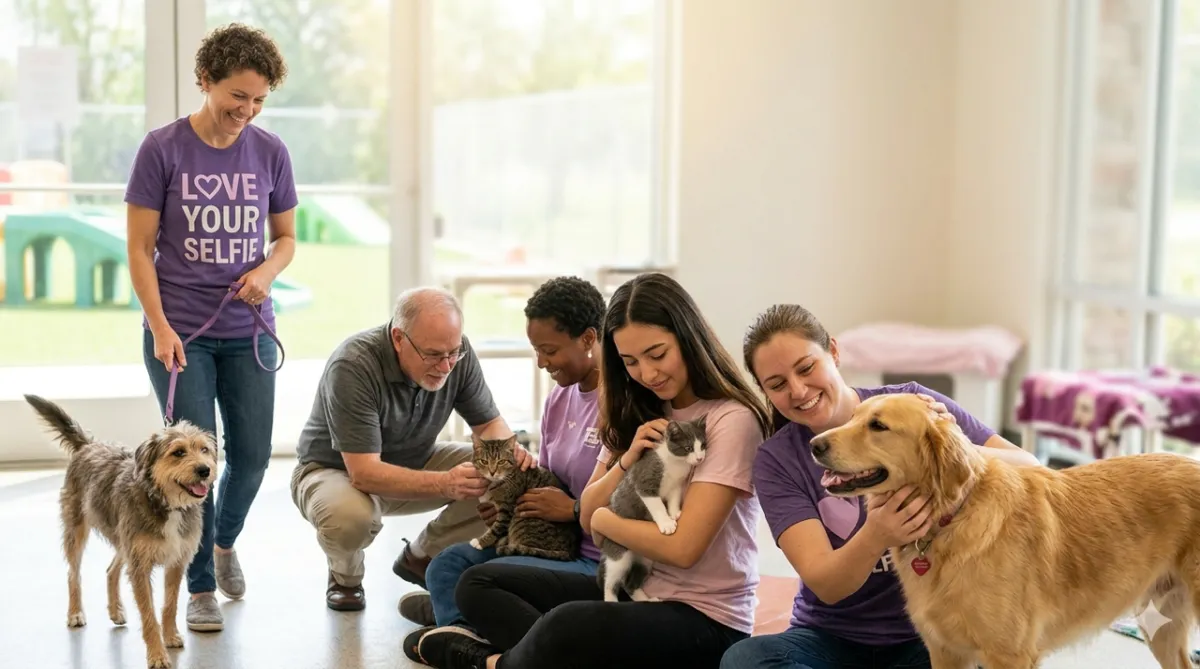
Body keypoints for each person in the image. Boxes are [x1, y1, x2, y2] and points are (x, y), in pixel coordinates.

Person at [414, 272, 774, 669]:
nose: (648, 374)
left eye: (657, 354)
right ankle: (531, 659)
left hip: (704, 616)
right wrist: (625, 461)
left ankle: (490, 662)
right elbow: (585, 515)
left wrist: (606, 518)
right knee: (478, 582)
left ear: (688, 338)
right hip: (631, 585)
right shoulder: (638, 409)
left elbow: (682, 548)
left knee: (566, 624)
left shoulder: (731, 420)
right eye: (631, 362)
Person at [720, 304, 1043, 669]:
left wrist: (950, 445)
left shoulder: (911, 405)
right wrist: (877, 535)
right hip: (828, 637)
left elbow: (1028, 466)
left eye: (806, 368)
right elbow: (827, 585)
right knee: (744, 661)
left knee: (997, 649)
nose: (798, 390)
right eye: (777, 385)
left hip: (929, 634)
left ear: (834, 352)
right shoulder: (777, 459)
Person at [125, 23, 296, 633]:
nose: (246, 112)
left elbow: (286, 239)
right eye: (236, 97)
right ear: (205, 81)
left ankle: (222, 543)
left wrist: (267, 274)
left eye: (258, 100)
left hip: (246, 325)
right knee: (193, 464)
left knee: (247, 459)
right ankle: (198, 586)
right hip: (179, 333)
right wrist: (159, 327)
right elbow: (141, 251)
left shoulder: (270, 151)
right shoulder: (162, 149)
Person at [399, 276, 608, 659]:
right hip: (541, 539)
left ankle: (457, 629)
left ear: (589, 338)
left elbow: (627, 499)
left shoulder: (620, 406)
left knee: (479, 580)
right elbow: (546, 478)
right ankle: (462, 626)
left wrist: (574, 509)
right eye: (536, 350)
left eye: (549, 350)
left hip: (590, 559)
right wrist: (507, 505)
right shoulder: (559, 398)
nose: (541, 363)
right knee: (445, 565)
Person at [290, 286, 532, 612]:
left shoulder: (455, 352)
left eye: (453, 353)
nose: (446, 366)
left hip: (418, 459)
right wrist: (446, 483)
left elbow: (489, 426)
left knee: (515, 476)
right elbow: (364, 473)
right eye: (433, 355)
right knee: (350, 519)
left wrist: (508, 457)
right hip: (337, 471)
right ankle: (345, 576)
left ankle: (423, 557)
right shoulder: (353, 365)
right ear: (399, 338)